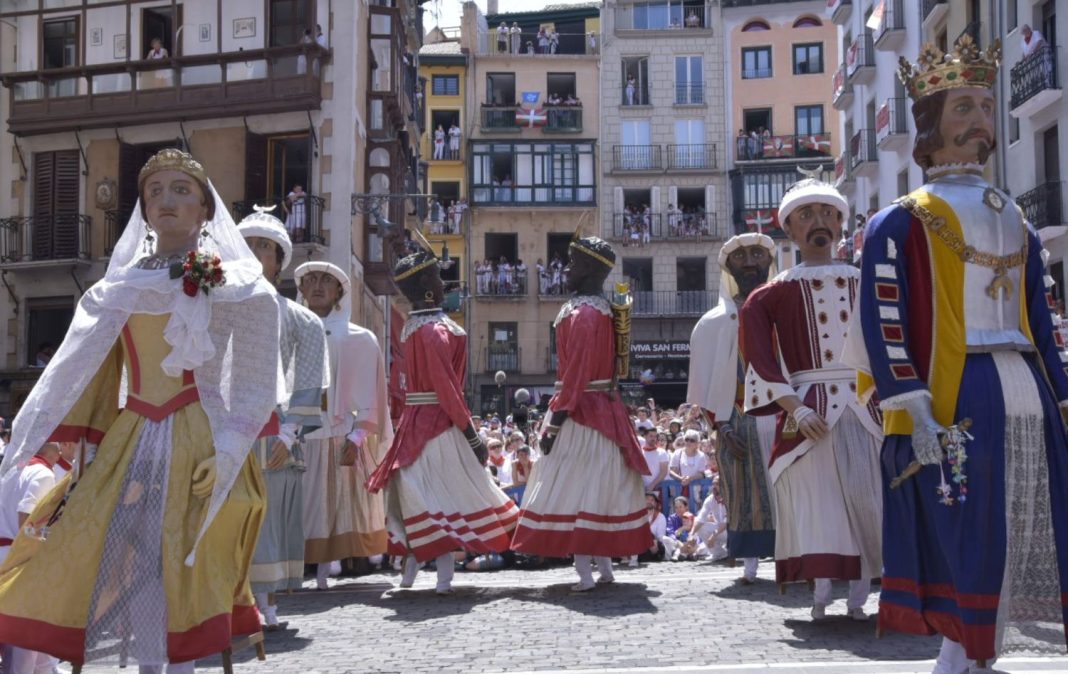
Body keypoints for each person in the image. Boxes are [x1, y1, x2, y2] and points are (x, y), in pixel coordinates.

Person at [0, 148, 280, 672]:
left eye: (180, 190)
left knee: (184, 564)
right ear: (144, 209)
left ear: (204, 209)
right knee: (126, 560)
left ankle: (178, 667)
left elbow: (254, 379)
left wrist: (228, 450)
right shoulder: (118, 288)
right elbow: (74, 365)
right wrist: (28, 435)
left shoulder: (241, 286)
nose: (165, 200)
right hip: (134, 437)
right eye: (154, 191)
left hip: (203, 437)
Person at [846, 36, 1068, 672]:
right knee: (964, 524)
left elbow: (1041, 322)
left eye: (986, 106)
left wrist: (1062, 394)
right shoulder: (900, 221)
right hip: (955, 391)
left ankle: (981, 648)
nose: (980, 120)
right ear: (931, 123)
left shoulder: (1017, 220)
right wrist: (911, 402)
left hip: (1025, 384)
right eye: (964, 107)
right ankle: (958, 649)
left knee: (1023, 519)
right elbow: (884, 321)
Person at [741, 169, 883, 621]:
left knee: (870, 499)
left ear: (841, 223)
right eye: (806, 215)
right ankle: (821, 589)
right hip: (808, 411)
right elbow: (759, 361)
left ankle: (861, 592)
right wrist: (796, 409)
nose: (818, 222)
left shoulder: (871, 284)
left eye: (827, 212)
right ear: (788, 228)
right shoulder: (767, 296)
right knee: (817, 503)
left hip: (867, 407)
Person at [367, 247, 519, 594]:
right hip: (439, 426)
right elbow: (448, 389)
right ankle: (442, 578)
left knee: (418, 498)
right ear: (426, 284)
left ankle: (414, 572)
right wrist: (471, 434)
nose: (443, 280)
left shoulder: (411, 329)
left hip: (413, 424)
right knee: (444, 496)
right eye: (437, 275)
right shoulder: (436, 330)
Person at [511, 236, 650, 591]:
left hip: (580, 415)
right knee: (598, 489)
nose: (566, 270)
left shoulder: (583, 315)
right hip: (605, 411)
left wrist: (555, 423)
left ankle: (585, 570)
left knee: (575, 489)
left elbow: (575, 375)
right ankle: (603, 567)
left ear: (589, 269)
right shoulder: (600, 311)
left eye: (573, 263)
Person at [238, 207, 328, 630]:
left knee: (269, 516)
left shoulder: (301, 319)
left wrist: (289, 433)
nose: (255, 253)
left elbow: (308, 380)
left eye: (264, 247)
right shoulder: (212, 309)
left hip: (273, 431)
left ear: (278, 261)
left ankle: (268, 604)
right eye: (247, 245)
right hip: (223, 427)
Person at [295, 261, 391, 590]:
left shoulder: (358, 338)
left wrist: (359, 435)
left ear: (339, 291)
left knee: (333, 506)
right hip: (296, 433)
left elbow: (369, 391)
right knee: (299, 504)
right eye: (311, 280)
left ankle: (324, 571)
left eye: (326, 280)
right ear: (301, 288)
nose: (318, 286)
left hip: (338, 433)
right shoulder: (288, 331)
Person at [688, 232, 777, 585]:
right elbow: (706, 385)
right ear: (728, 268)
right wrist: (721, 427)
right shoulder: (711, 324)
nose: (751, 263)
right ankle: (750, 563)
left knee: (791, 490)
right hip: (736, 418)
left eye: (757, 255)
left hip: (783, 414)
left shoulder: (787, 311)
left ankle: (797, 559)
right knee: (742, 493)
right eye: (741, 258)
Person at [0, 442, 60, 673]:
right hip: (20, 558)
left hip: (6, 554)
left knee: (16, 632)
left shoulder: (13, 470)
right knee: (25, 634)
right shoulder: (43, 473)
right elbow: (26, 519)